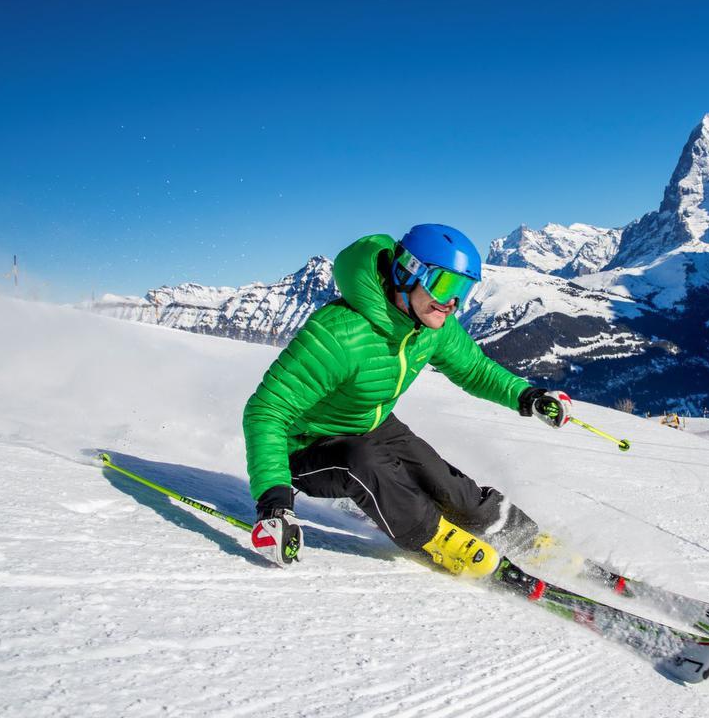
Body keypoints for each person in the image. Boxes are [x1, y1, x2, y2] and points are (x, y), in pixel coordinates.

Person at [243, 224, 572, 577]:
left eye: (462, 290)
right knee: (364, 461)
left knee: (449, 488)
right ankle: (438, 541)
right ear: (406, 273)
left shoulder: (430, 326)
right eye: (445, 285)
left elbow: (473, 369)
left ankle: (525, 539)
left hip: (372, 423)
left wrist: (528, 397)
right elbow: (265, 413)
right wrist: (274, 505)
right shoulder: (340, 333)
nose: (451, 303)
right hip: (305, 446)